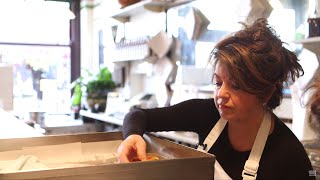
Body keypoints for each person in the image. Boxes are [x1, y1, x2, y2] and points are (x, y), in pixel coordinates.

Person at [117, 18, 315, 180]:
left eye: (236, 85)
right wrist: (133, 136)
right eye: (218, 82)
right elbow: (137, 116)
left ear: (265, 92)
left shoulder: (289, 153)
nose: (221, 94)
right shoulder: (206, 113)